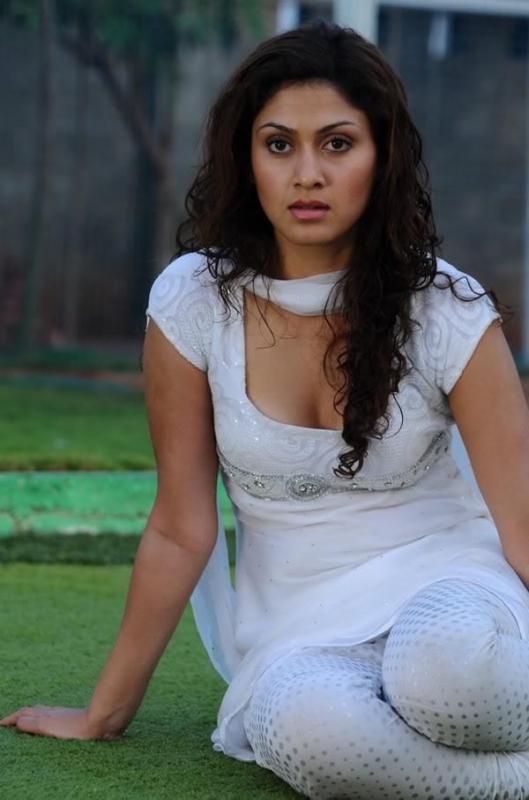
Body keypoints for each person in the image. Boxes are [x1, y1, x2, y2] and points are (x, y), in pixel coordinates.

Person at [3, 20, 529, 799]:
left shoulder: (445, 308)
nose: (306, 173)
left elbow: (521, 522)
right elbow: (180, 525)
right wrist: (103, 713)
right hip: (301, 625)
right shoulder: (193, 301)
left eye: (337, 144)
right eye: (279, 144)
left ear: (381, 155)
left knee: (447, 673)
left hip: (449, 587)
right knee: (309, 736)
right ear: (245, 158)